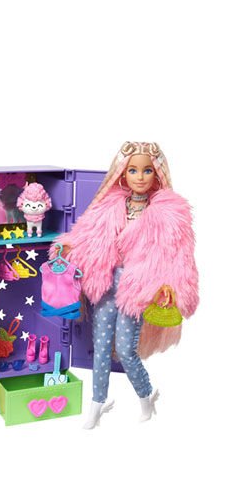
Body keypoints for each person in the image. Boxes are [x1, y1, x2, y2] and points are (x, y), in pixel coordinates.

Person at [53, 142, 199, 429]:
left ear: (157, 173)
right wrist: (67, 248)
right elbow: (87, 236)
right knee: (100, 346)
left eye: (147, 170)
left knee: (125, 349)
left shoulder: (168, 212)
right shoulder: (110, 205)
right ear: (122, 173)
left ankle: (146, 395)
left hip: (136, 287)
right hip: (106, 281)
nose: (140, 177)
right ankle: (96, 404)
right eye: (133, 170)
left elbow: (178, 255)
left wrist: (170, 285)